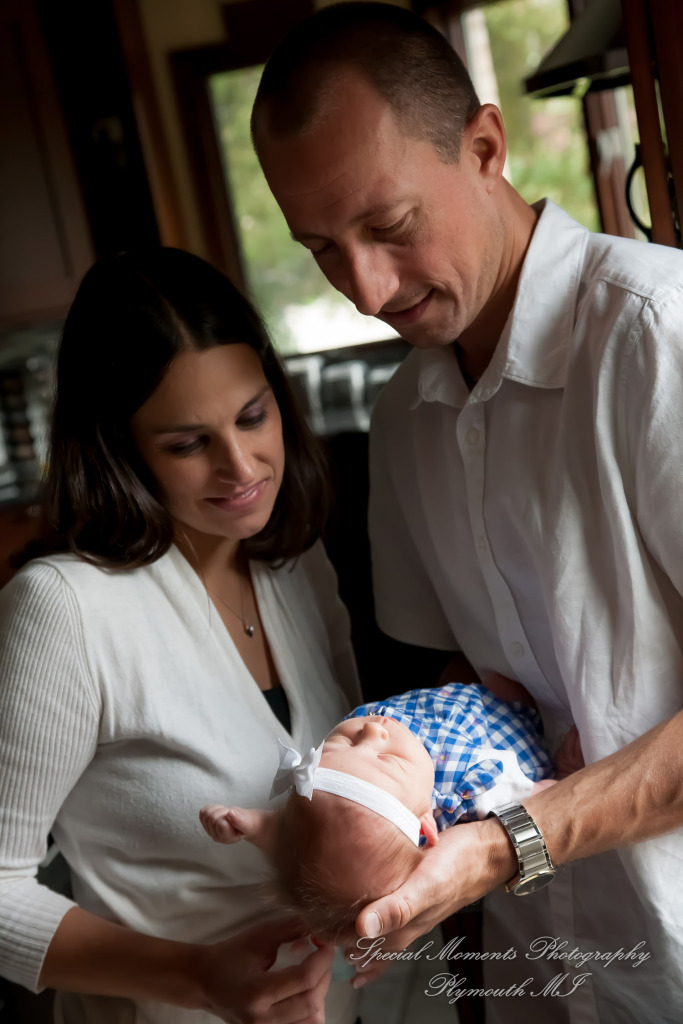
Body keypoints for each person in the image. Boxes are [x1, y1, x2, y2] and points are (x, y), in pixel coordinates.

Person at [249, 3, 683, 1022]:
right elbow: (465, 685)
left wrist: (504, 843)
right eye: (321, 248)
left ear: (485, 147)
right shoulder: (405, 416)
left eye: (388, 226)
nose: (364, 289)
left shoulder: (655, 336)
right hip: (544, 975)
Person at [0, 247, 363, 1024]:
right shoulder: (64, 610)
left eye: (253, 416)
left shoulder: (294, 561)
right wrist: (196, 977)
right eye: (188, 444)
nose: (241, 466)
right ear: (120, 449)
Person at [201, 674, 570, 941]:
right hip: (514, 727)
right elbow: (542, 799)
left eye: (344, 742)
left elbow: (306, 841)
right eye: (389, 759)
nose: (374, 730)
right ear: (425, 826)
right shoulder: (472, 793)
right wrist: (558, 780)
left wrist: (257, 825)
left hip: (466, 699)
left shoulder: (384, 772)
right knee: (560, 751)